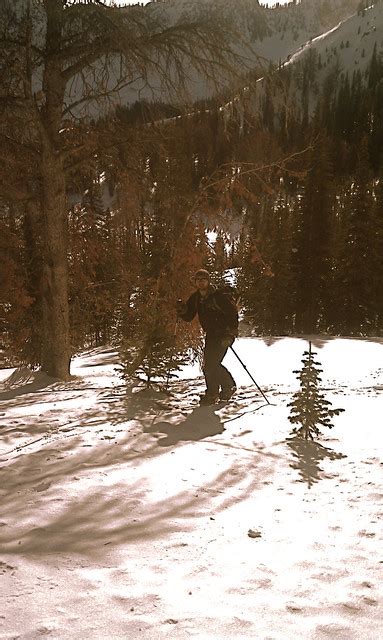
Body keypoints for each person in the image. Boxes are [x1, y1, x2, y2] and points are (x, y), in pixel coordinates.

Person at [176, 269, 238, 405]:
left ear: (208, 281)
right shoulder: (196, 298)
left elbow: (233, 314)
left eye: (203, 280)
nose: (201, 282)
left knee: (211, 365)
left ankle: (217, 391)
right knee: (209, 365)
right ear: (195, 282)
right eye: (198, 280)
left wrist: (230, 334)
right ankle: (223, 388)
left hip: (223, 335)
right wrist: (182, 310)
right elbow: (189, 316)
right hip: (211, 335)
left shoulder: (218, 296)